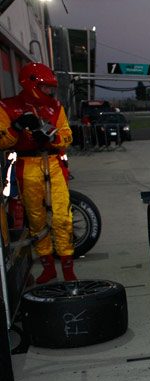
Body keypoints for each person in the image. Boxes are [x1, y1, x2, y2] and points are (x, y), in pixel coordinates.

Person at [0, 62, 76, 283]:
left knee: (63, 219)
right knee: (36, 220)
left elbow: (68, 136)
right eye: (46, 87)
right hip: (26, 166)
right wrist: (17, 126)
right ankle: (48, 268)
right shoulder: (7, 107)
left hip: (54, 163)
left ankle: (69, 272)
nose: (50, 92)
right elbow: (2, 141)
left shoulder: (56, 107)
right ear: (32, 84)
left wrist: (54, 138)